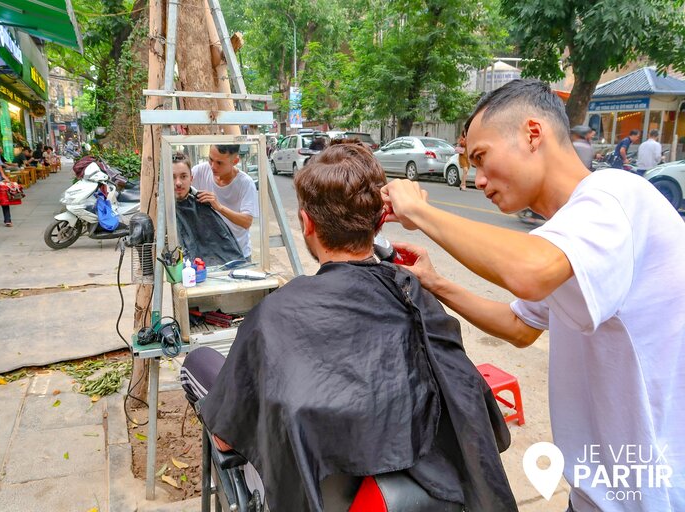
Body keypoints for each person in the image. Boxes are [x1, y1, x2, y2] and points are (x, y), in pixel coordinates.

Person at [381, 79, 685, 512]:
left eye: (482, 158)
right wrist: (435, 282)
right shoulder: (568, 234)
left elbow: (531, 273)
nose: (478, 180)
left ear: (533, 134)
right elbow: (522, 326)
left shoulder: (615, 197)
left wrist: (422, 211)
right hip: (596, 494)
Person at [181, 143, 517, 512]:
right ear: (379, 223)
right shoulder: (414, 298)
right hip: (418, 480)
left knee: (198, 362)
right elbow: (467, 403)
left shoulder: (274, 316)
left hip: (311, 491)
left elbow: (227, 440)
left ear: (307, 223)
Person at [172, 152, 243, 265]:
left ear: (191, 178)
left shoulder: (203, 205)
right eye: (173, 177)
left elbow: (226, 252)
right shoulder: (160, 212)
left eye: (183, 176)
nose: (178, 183)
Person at [191, 144, 259, 259]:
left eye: (219, 163)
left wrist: (219, 207)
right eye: (210, 159)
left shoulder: (246, 183)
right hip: (208, 253)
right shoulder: (199, 171)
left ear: (235, 161)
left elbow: (246, 222)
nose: (213, 166)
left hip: (238, 254)